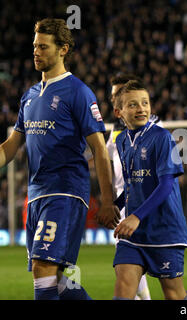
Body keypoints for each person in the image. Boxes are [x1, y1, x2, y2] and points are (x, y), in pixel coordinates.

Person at [0, 18, 119, 300]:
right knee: (53, 278)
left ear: (63, 49)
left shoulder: (78, 92)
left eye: (43, 46)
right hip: (37, 195)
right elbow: (11, 146)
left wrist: (106, 199)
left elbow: (99, 148)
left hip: (65, 192)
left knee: (43, 268)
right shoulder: (29, 96)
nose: (36, 52)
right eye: (34, 46)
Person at [111, 80, 187, 300]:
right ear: (119, 111)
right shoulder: (121, 141)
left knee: (175, 295)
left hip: (164, 230)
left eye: (145, 103)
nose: (141, 108)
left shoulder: (162, 137)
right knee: (123, 292)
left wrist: (135, 216)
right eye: (133, 105)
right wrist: (114, 206)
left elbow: (166, 184)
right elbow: (132, 185)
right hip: (133, 235)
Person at [106, 73, 163, 300]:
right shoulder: (117, 131)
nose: (114, 99)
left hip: (147, 203)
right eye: (113, 96)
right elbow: (112, 162)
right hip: (124, 201)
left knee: (172, 287)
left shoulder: (153, 127)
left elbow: (165, 178)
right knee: (128, 264)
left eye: (119, 94)